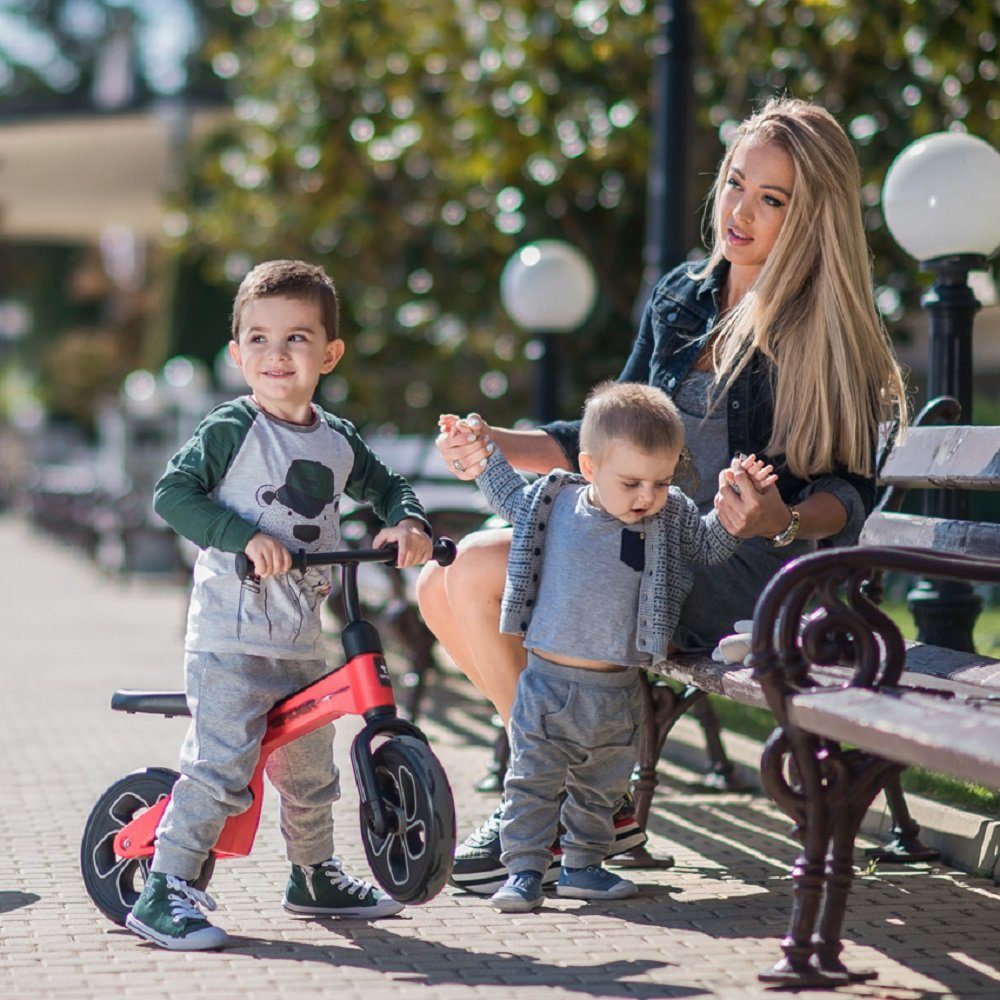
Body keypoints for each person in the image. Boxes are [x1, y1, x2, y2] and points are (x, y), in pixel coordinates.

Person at [416, 95, 909, 894]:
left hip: (737, 572)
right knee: (439, 581)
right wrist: (494, 440)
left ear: (812, 215)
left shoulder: (822, 330)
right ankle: (581, 795)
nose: (739, 213)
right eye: (735, 184)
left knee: (474, 567)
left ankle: (557, 796)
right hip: (639, 543)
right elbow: (613, 434)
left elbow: (848, 494)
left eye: (772, 200)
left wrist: (783, 518)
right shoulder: (683, 295)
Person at [126, 259, 433, 951]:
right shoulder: (233, 427)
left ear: (329, 353)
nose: (276, 354)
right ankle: (163, 887)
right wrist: (243, 536)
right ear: (237, 354)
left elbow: (388, 488)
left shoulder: (336, 438)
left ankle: (313, 874)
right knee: (221, 766)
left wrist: (407, 523)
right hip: (230, 636)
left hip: (299, 637)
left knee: (309, 771)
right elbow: (172, 495)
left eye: (297, 338)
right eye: (259, 339)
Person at [442, 383, 775, 912]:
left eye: (661, 481)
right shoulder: (555, 501)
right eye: (632, 482)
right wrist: (480, 449)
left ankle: (584, 868)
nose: (647, 495)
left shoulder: (669, 516)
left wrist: (735, 511)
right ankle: (524, 871)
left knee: (601, 787)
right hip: (548, 683)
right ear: (591, 467)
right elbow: (505, 492)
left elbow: (709, 546)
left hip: (618, 688)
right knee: (531, 780)